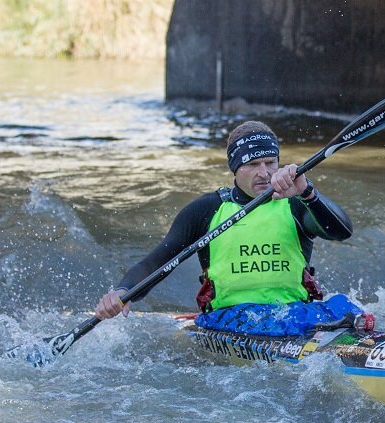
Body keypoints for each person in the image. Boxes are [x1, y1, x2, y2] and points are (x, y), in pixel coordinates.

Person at [95, 120, 359, 335]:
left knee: (351, 312)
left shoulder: (296, 203)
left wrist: (307, 193)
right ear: (235, 168)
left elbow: (341, 231)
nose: (265, 173)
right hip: (231, 320)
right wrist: (123, 292)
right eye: (253, 165)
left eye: (270, 162)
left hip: (296, 313)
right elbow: (156, 264)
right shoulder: (205, 211)